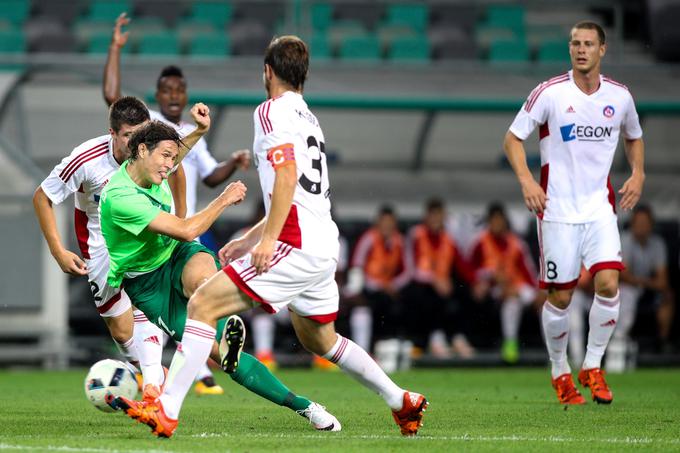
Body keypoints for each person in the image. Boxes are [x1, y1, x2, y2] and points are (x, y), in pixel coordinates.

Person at [115, 35, 428, 438]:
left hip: (292, 244)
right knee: (321, 339)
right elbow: (298, 193)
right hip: (322, 244)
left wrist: (266, 241)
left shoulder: (270, 112)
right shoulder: (310, 119)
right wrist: (251, 237)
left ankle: (168, 411)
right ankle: (400, 399)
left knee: (203, 304)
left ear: (267, 72)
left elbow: (285, 177)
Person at [101, 110, 341, 437]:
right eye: (165, 157)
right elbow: (186, 230)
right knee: (226, 358)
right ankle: (304, 405)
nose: (170, 165)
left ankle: (225, 326)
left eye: (173, 158)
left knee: (202, 281)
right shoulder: (120, 196)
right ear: (142, 150)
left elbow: (175, 153)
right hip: (146, 284)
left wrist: (199, 130)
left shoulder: (152, 163)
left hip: (175, 255)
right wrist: (224, 200)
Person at [103, 12, 251, 393]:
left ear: (185, 95)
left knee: (202, 286)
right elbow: (113, 100)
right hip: (150, 232)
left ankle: (203, 361)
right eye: (167, 90)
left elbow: (202, 171)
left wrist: (229, 159)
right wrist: (115, 49)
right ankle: (182, 368)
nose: (173, 96)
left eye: (178, 91)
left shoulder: (186, 134)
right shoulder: (144, 125)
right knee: (145, 322)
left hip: (178, 231)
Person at [504, 21, 645, 404]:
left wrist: (638, 173)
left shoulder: (620, 96)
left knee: (608, 285)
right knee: (561, 298)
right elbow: (513, 138)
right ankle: (559, 371)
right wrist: (527, 182)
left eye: (588, 44)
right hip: (557, 211)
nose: (580, 49)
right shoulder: (550, 93)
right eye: (575, 44)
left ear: (603, 50)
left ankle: (593, 365)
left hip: (599, 208)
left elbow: (634, 136)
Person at [33, 97, 173, 395]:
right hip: (101, 246)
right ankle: (152, 372)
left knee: (147, 308)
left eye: (141, 134)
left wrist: (180, 217)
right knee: (122, 332)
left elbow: (180, 169)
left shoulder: (152, 151)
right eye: (128, 136)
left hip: (143, 237)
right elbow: (42, 197)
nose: (137, 143)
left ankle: (154, 384)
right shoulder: (86, 159)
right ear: (112, 133)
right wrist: (58, 250)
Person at [403, 198, 475, 358]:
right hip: (418, 284)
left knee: (463, 291)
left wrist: (477, 282)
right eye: (432, 215)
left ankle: (458, 337)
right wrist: (433, 279)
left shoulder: (448, 239)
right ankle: (436, 338)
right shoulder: (416, 235)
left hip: (443, 285)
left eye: (439, 215)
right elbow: (410, 267)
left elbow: (462, 265)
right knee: (429, 295)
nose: (436, 220)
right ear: (426, 217)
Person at [470, 203, 538, 363]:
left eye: (500, 220)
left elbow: (529, 271)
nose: (497, 224)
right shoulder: (480, 241)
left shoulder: (517, 243)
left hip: (518, 288)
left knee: (541, 303)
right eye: (494, 221)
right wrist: (490, 276)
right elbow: (471, 269)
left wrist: (537, 291)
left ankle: (553, 351)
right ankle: (510, 344)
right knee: (511, 301)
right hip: (494, 289)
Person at [345, 206, 409, 354]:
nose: (387, 226)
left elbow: (407, 270)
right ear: (377, 222)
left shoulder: (399, 241)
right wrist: (379, 284)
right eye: (384, 222)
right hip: (367, 288)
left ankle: (390, 349)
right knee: (363, 307)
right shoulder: (369, 238)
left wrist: (393, 285)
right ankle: (363, 352)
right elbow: (357, 266)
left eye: (390, 222)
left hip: (389, 290)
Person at [617, 205, 674, 355]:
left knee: (667, 296)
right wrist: (647, 282)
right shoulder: (625, 240)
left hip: (648, 289)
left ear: (651, 225)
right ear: (633, 223)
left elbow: (662, 280)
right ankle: (619, 340)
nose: (642, 227)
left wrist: (643, 282)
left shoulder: (657, 243)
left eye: (645, 223)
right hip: (626, 289)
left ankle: (662, 343)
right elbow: (624, 275)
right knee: (627, 293)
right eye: (639, 223)